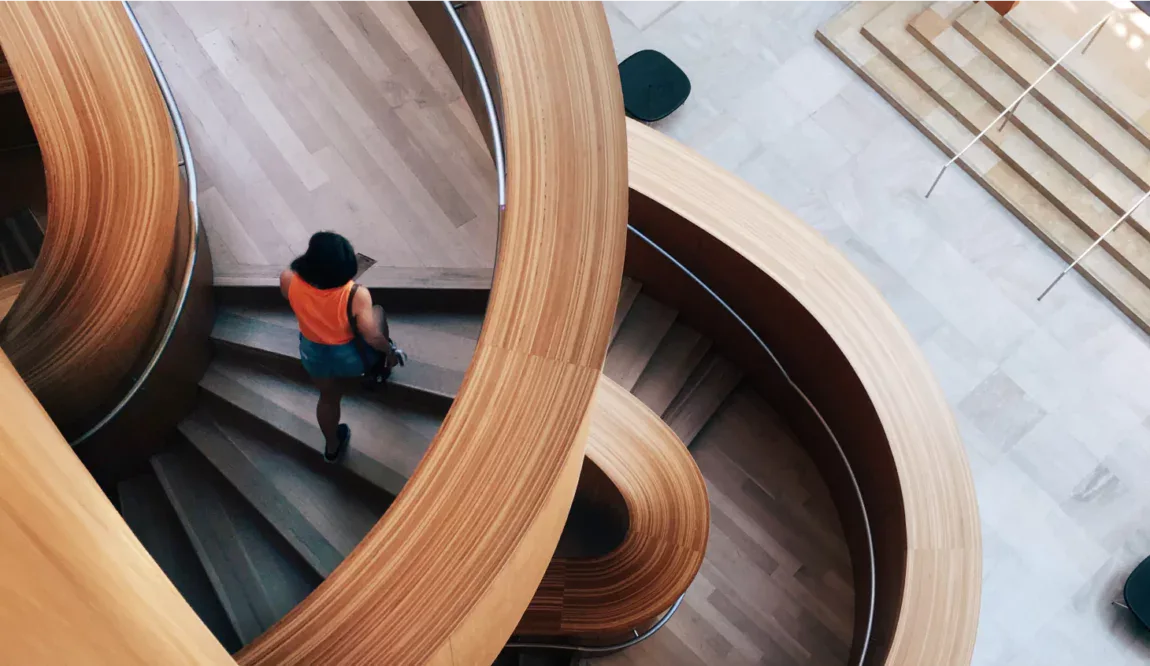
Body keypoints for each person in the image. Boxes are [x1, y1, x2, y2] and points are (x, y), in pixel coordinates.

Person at [280, 232, 396, 462]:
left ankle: (332, 447)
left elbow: (299, 300)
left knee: (328, 398)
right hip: (348, 357)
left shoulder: (288, 278)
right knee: (378, 315)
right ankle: (382, 369)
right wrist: (390, 351)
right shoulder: (357, 295)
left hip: (313, 354)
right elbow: (371, 336)